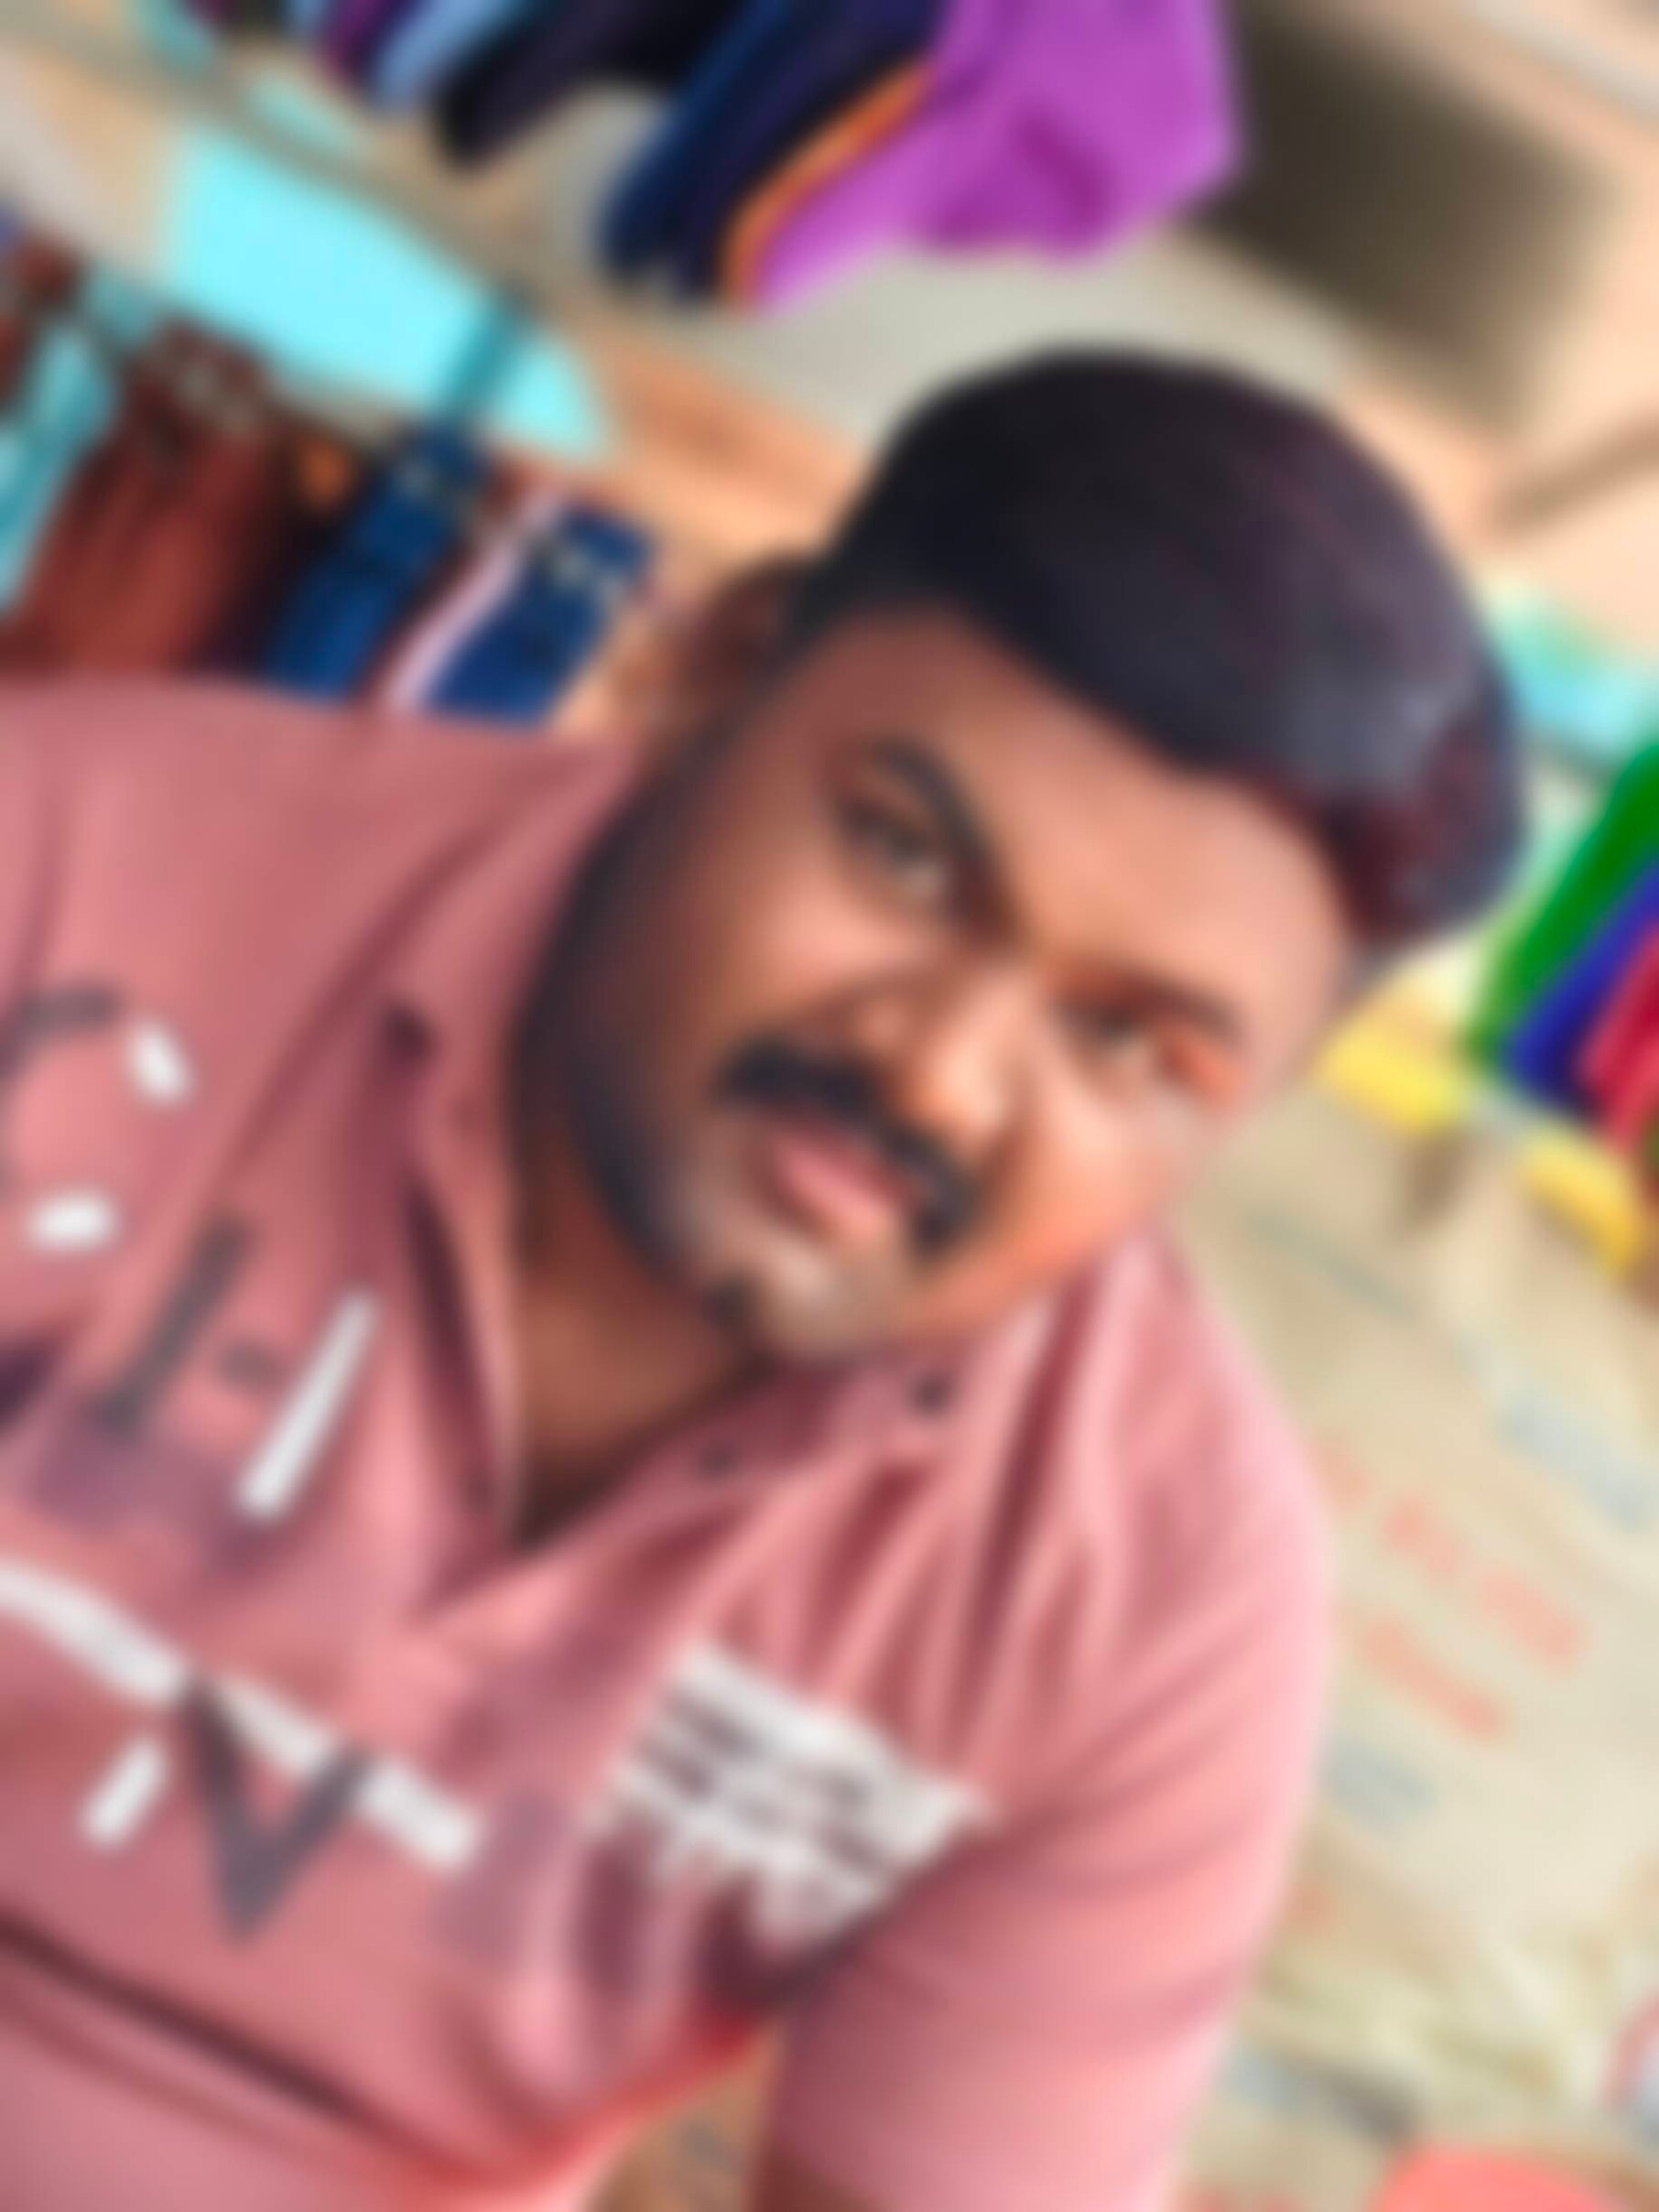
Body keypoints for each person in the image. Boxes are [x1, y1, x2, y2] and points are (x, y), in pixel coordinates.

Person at [0, 354, 1521, 2212]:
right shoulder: (61, 875)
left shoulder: (1154, 1585)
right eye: (903, 851)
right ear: (714, 677)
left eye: (1131, 1046)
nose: (940, 1074)